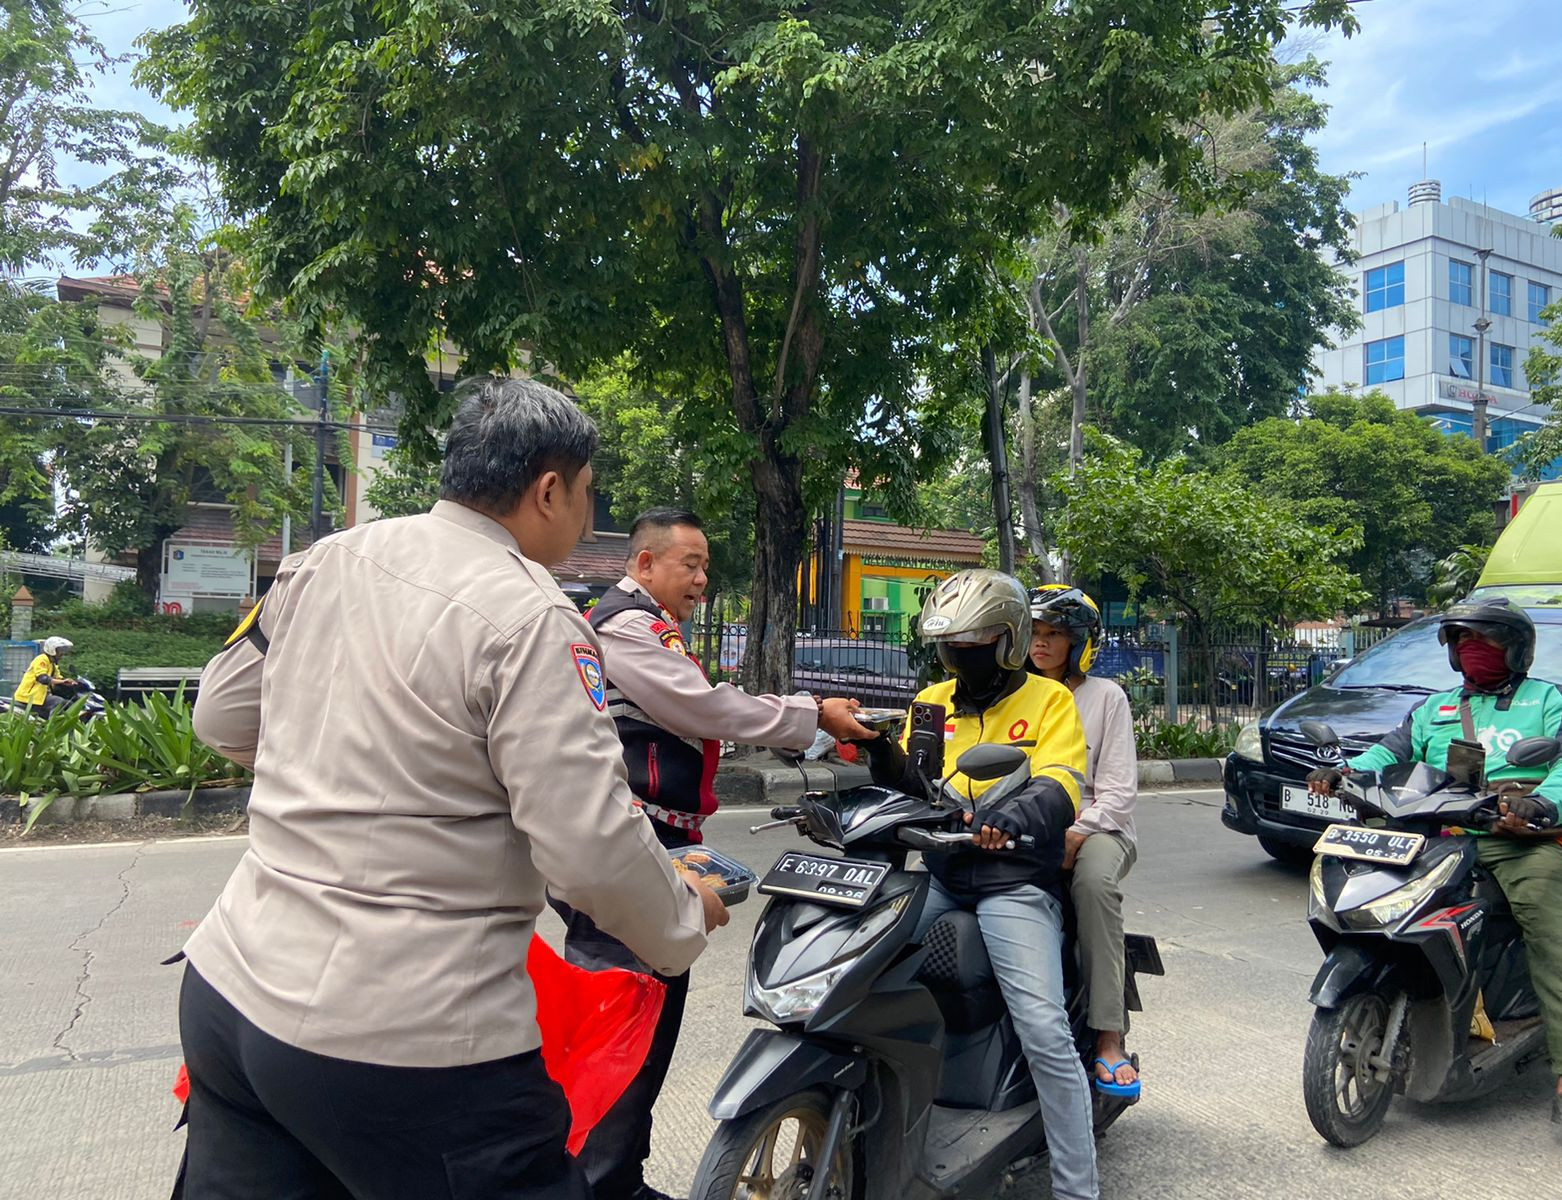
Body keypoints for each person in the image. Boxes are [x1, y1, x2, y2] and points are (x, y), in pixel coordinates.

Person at [177, 377, 728, 1199]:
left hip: (229, 993)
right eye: (586, 493)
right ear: (549, 490)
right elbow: (590, 847)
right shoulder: (534, 615)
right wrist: (683, 913)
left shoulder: (323, 559)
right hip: (408, 1040)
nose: (587, 514)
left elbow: (220, 716)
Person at [561, 505, 876, 1200]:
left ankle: (616, 1178)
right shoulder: (629, 627)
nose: (702, 577)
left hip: (653, 841)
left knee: (642, 1020)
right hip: (635, 847)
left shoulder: (647, 625)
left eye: (705, 565)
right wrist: (810, 715)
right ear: (644, 563)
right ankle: (600, 1182)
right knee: (626, 1026)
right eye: (690, 563)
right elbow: (703, 709)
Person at [1307, 596, 1562, 1135]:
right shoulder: (1433, 709)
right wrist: (1344, 774)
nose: (1472, 653)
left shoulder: (1549, 701)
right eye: (1462, 644)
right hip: (1437, 833)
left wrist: (1543, 804)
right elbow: (1387, 755)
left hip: (1518, 839)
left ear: (1515, 650)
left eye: (1483, 642)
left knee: (1558, 940)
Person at [862, 568, 1098, 1200]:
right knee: (862, 983)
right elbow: (916, 782)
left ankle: (1079, 1188)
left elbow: (1061, 783)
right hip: (941, 873)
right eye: (950, 647)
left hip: (1011, 881)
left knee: (1043, 1029)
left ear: (1009, 642)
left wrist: (1011, 818)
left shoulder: (1050, 701)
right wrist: (879, 755)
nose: (959, 658)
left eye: (973, 645)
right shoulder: (932, 701)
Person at [1027, 585, 1141, 1098]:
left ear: (1079, 644)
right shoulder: (1013, 695)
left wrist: (1077, 831)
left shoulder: (1105, 698)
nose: (1041, 644)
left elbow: (1117, 793)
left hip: (1099, 826)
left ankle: (1108, 1038)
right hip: (1026, 822)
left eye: (1054, 635)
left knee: (1093, 886)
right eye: (1034, 633)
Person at [12, 636, 74, 716]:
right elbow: (43, 678)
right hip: (30, 696)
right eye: (59, 650)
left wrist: (72, 682)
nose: (62, 653)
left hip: (40, 696)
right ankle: (53, 726)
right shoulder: (42, 659)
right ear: (52, 650)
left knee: (68, 703)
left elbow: (58, 678)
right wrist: (62, 681)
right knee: (58, 702)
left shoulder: (52, 664)